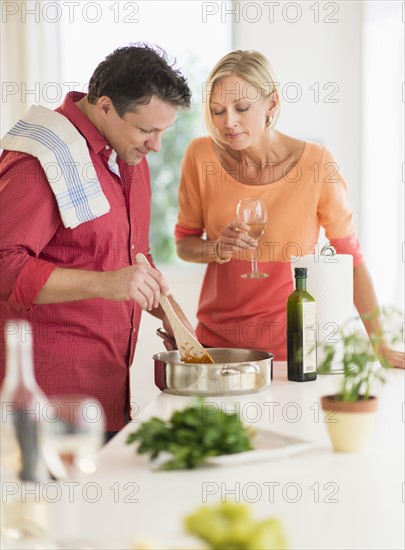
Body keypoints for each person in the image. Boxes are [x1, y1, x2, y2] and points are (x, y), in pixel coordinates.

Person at [0, 44, 192, 439]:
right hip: (46, 407)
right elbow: (5, 264)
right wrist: (106, 283)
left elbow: (131, 259)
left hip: (107, 398)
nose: (156, 145)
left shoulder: (129, 155)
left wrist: (174, 318)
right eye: (146, 130)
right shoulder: (41, 158)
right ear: (105, 106)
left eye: (163, 131)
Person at [175, 49, 404, 369]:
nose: (229, 122)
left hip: (292, 349)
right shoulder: (200, 156)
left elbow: (350, 260)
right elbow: (185, 243)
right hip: (216, 347)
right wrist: (215, 249)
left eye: (241, 108)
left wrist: (380, 345)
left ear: (271, 103)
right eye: (217, 111)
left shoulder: (317, 164)